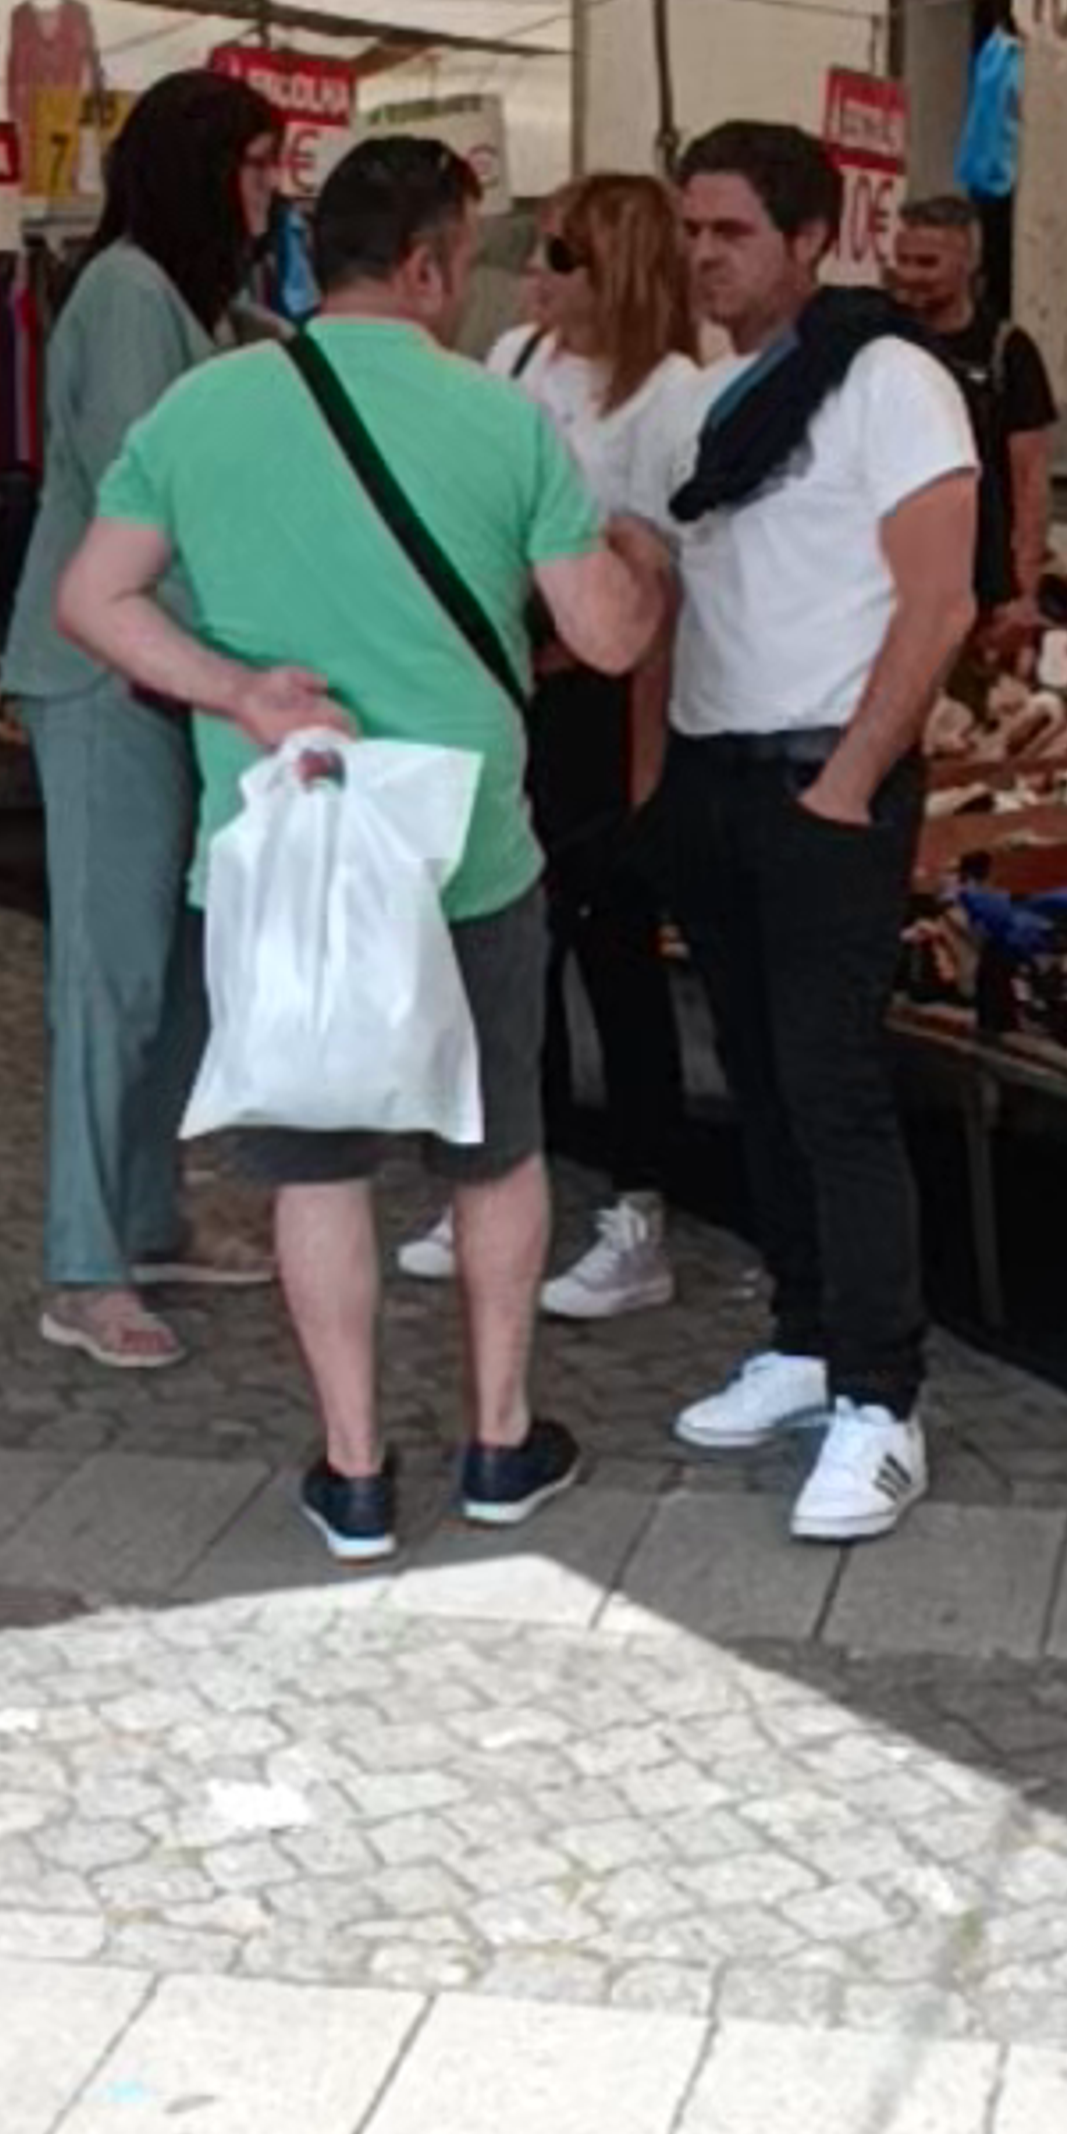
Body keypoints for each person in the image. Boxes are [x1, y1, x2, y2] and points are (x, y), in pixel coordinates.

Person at [55, 130, 665, 1565]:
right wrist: (648, 558)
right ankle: (503, 1439)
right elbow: (605, 635)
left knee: (318, 1170)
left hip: (283, 860)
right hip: (466, 853)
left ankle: (354, 1472)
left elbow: (95, 595)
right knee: (494, 1149)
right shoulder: (503, 421)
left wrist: (234, 689)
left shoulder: (204, 410)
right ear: (432, 260)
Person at [659, 121, 978, 1545]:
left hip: (823, 781)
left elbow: (939, 601)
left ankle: (880, 1395)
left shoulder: (890, 380)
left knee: (836, 1086)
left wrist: (852, 777)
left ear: (805, 238)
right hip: (722, 773)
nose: (702, 255)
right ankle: (803, 1333)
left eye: (728, 230)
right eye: (689, 229)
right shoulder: (724, 395)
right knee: (762, 1078)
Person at [3, 72, 283, 1374]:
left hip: (165, 674)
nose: (271, 188)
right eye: (258, 163)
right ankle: (82, 1260)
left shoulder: (189, 300)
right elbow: (141, 500)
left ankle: (148, 1212)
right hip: (113, 671)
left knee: (174, 977)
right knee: (111, 978)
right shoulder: (126, 295)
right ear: (202, 166)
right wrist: (232, 665)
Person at [394, 173, 707, 1325]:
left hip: (605, 695)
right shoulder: (517, 362)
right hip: (516, 686)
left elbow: (671, 583)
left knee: (613, 953)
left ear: (610, 267)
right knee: (503, 948)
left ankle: (640, 1207)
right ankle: (495, 1175)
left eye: (557, 256)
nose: (531, 277)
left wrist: (649, 758)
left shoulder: (672, 396)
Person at [887, 188, 1056, 638]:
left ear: (969, 264)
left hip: (982, 576)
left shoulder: (1008, 352)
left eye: (928, 264)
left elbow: (1030, 479)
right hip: (896, 573)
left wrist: (1023, 591)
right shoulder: (882, 346)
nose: (910, 277)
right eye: (903, 260)